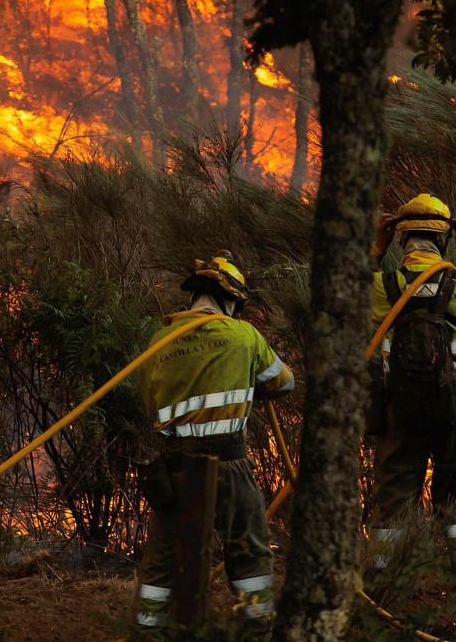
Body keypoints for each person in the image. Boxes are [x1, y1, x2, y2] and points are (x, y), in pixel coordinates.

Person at [133, 253, 295, 636]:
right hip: (229, 465)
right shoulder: (244, 335)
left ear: (195, 297)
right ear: (231, 300)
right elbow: (284, 383)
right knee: (248, 549)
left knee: (162, 558)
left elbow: (149, 404)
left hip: (174, 468)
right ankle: (255, 630)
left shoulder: (159, 340)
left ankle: (147, 630)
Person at [366, 193, 456, 640]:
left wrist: (374, 246)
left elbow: (338, 293)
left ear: (400, 236)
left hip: (398, 414)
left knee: (390, 512)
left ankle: (382, 607)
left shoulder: (380, 286)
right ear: (447, 239)